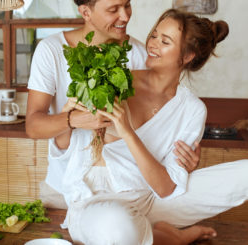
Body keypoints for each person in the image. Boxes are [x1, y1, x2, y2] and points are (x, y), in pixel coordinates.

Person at [53, 8, 248, 245]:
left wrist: (126, 131)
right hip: (95, 202)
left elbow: (166, 188)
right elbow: (65, 145)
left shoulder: (192, 109)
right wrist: (68, 118)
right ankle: (171, 237)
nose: (153, 44)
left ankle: (155, 232)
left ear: (187, 56)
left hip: (151, 198)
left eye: (165, 41)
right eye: (154, 35)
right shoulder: (115, 78)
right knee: (119, 226)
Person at [26, 0, 201, 200]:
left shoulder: (143, 55)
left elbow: (155, 128)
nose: (125, 16)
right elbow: (33, 126)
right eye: (113, 9)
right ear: (86, 12)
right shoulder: (52, 50)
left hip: (122, 190)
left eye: (127, 5)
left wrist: (182, 162)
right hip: (63, 186)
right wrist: (74, 120)